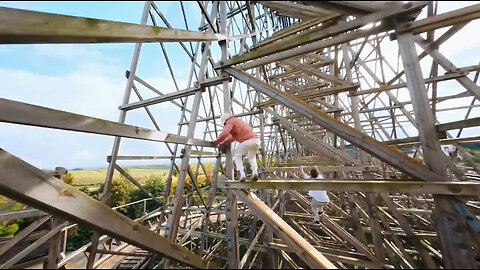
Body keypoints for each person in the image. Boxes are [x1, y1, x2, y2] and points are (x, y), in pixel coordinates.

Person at [213, 113, 260, 182]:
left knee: (237, 155)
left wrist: (216, 142)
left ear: (225, 121)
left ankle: (242, 174)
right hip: (256, 141)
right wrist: (223, 142)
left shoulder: (229, 122)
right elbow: (233, 138)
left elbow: (225, 133)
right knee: (252, 157)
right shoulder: (238, 121)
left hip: (247, 141)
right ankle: (255, 173)